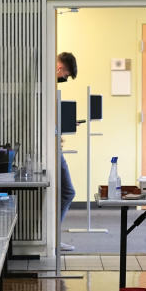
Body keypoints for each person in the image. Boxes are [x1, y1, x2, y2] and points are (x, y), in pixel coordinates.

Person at [55, 52, 79, 251]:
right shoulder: (48, 85)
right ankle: (53, 238)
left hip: (54, 144)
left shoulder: (48, 84)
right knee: (68, 191)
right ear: (60, 69)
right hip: (53, 148)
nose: (64, 79)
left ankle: (53, 238)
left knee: (65, 192)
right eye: (65, 76)